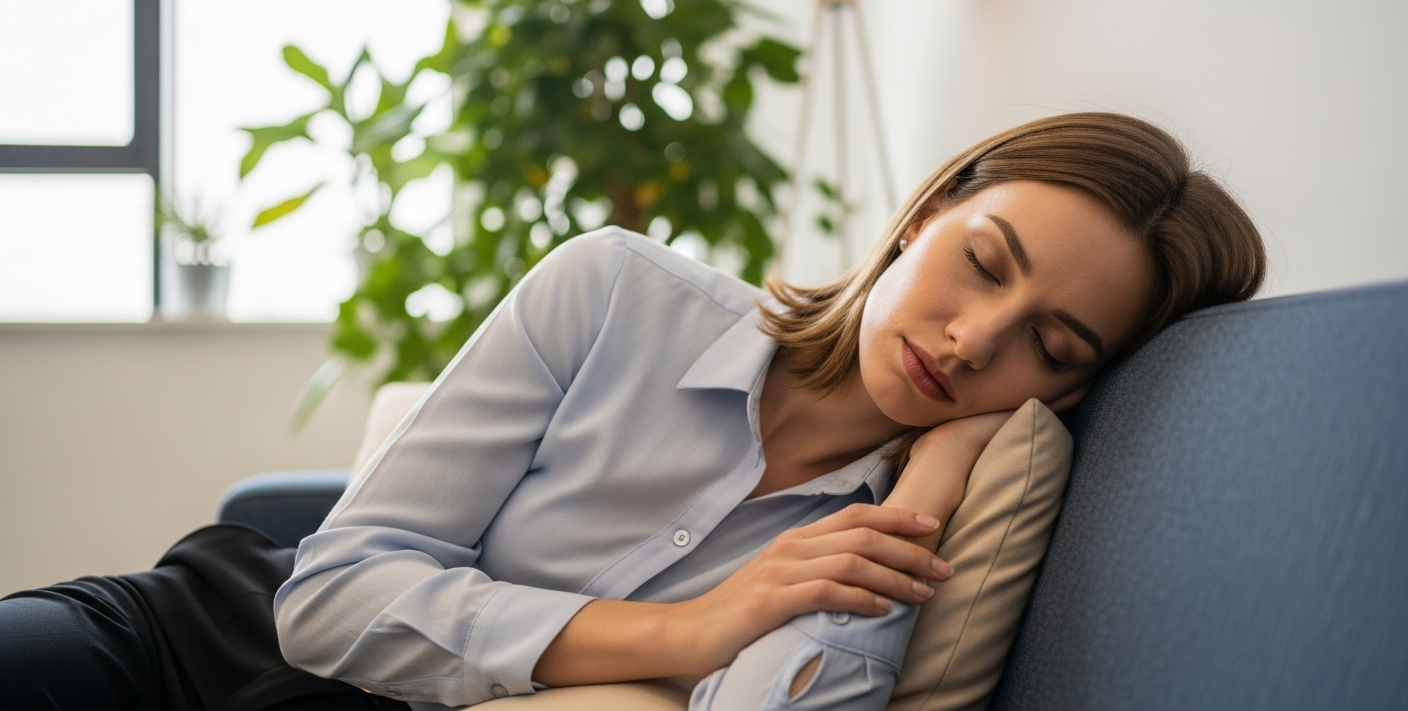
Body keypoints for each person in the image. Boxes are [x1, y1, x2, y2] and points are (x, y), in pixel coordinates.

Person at [0, 112, 1266, 711]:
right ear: (926, 212)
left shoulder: (900, 530)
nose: (974, 341)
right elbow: (328, 599)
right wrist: (685, 632)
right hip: (194, 645)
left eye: (1048, 345)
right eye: (983, 263)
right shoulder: (615, 291)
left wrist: (929, 490)